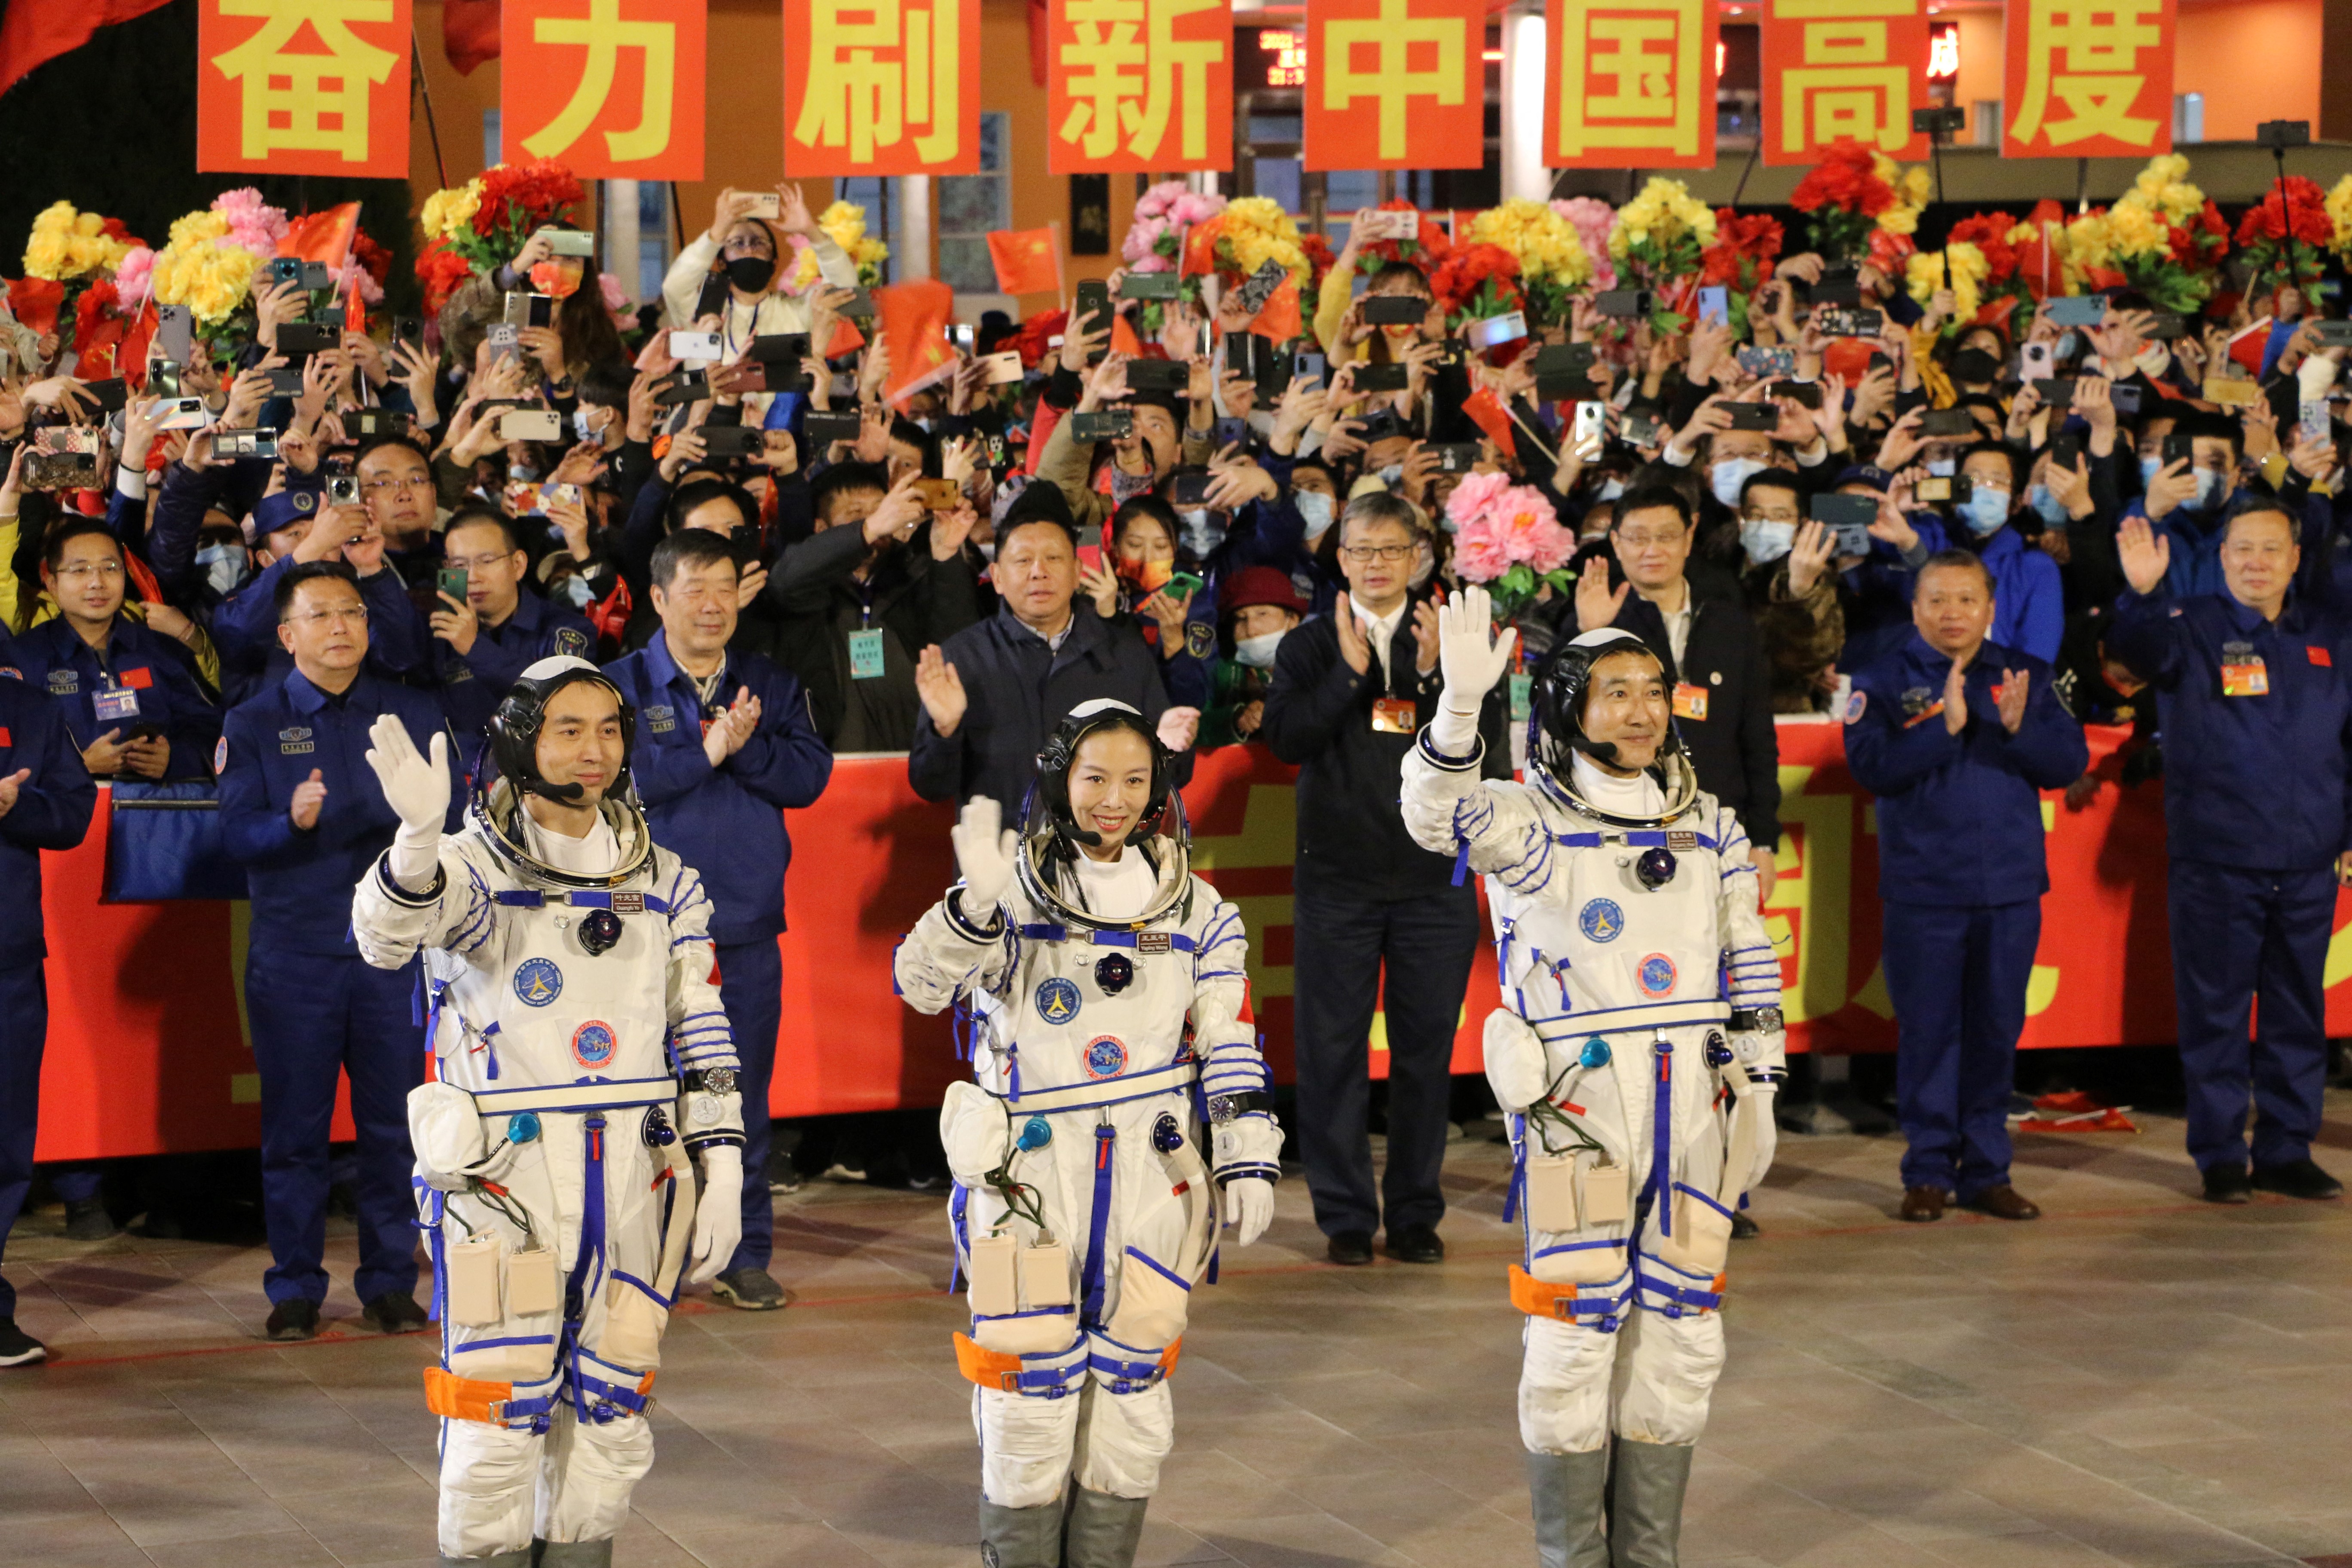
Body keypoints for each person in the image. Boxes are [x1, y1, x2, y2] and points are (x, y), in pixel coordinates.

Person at [1399, 595, 1785, 1568]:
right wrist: (1455, 708)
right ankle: (1572, 1555)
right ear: (1569, 708)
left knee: (1686, 1333)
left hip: (1699, 1112)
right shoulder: (1529, 825)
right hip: (1580, 1118)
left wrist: (1765, 1085)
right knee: (1573, 1337)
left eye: (1653, 692)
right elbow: (1431, 813)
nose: (1641, 711)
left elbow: (1748, 959)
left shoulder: (1708, 826)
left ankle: (1645, 1554)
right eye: (1615, 693)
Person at [349, 657, 745, 1567]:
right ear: (523, 740)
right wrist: (415, 839)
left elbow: (702, 1023)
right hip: (507, 1185)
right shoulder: (475, 870)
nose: (593, 749)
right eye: (568, 729)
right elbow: (384, 940)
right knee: (496, 1414)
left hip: (638, 1178)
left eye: (609, 728)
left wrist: (723, 1164)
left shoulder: (666, 880)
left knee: (611, 1417)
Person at [893, 701, 1279, 1568]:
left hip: (1155, 1176)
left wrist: (1248, 1148)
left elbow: (1227, 1031)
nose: (1114, 800)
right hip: (1028, 1180)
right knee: (1027, 1402)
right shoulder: (1009, 892)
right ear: (1060, 778)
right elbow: (917, 985)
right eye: (1095, 777)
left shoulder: (1200, 909)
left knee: (1135, 1400)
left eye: (1135, 782)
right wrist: (969, 909)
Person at [217, 561, 465, 1341]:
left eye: (352, 611)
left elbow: (450, 824)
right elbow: (233, 832)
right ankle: (294, 1285)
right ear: (288, 635)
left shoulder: (410, 709)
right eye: (321, 614)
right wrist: (289, 818)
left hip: (394, 956)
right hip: (296, 956)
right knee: (296, 1130)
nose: (341, 627)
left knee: (395, 1126)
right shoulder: (253, 722)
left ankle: (391, 1280)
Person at [1259, 492, 1508, 1266]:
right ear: (1340, 560)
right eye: (1359, 550)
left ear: (1417, 558)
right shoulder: (1306, 644)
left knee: (1423, 1050)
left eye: (1389, 550)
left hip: (1434, 880)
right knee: (1331, 1050)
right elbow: (1285, 739)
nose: (1373, 564)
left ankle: (1413, 1211)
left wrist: (1442, 681)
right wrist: (1345, 675)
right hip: (1337, 880)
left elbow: (1490, 753)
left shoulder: (1458, 638)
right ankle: (1342, 1215)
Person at [604, 529, 834, 1310]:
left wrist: (741, 750)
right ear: (659, 598)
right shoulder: (618, 686)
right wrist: (703, 752)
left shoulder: (767, 679)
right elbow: (612, 783)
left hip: (741, 925)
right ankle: (650, 1257)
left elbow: (808, 777)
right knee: (643, 1098)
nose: (711, 603)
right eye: (693, 587)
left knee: (741, 1095)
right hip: (638, 932)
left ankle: (743, 1253)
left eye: (725, 586)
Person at [2110, 501, 2349, 1203]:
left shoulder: (2330, 636)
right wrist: (2142, 594)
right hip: (2217, 856)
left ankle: (2286, 1146)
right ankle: (2218, 1151)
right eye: (2242, 549)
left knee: (2297, 1008)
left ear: (2295, 558)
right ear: (2221, 558)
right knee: (2215, 1009)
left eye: (2271, 550)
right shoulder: (2189, 627)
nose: (2256, 563)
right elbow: (2138, 653)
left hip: (2308, 858)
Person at [1844, 553, 2087, 1223]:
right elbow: (1872, 769)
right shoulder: (1882, 677)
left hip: (2008, 889)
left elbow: (2068, 764)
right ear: (1916, 608)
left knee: (1993, 1032)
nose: (1953, 613)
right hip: (1924, 889)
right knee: (1929, 1034)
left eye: (1966, 600)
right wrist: (1940, 729)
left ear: (1990, 607)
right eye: (1938, 601)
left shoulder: (2026, 676)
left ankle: (1988, 1171)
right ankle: (1926, 1171)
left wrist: (2017, 727)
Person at [911, 491, 1197, 810]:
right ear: (997, 577)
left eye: (1054, 558)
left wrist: (1169, 750)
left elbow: (1176, 776)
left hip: (1101, 856)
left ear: (1077, 572)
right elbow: (930, 786)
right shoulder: (962, 658)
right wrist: (945, 732)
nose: (1039, 571)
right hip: (1000, 856)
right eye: (1023, 560)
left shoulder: (1124, 652)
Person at [1574, 487, 1781, 894]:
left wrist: (1762, 840)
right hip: (1623, 831)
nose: (1652, 549)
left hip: (1721, 828)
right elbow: (1554, 716)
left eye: (1667, 536)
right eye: (1637, 537)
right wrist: (1589, 636)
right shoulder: (1597, 616)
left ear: (1690, 537)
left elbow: (1757, 738)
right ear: (1616, 543)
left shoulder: (1731, 624)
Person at [0, 676, 97, 1367]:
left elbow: (71, 815)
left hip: (6, 957)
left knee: (5, 1146)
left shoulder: (29, 706)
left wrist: (13, 803)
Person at [15, 520, 219, 782]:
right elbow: (10, 750)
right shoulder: (23, 658)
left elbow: (213, 729)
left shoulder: (163, 650)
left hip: (156, 813)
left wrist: (175, 758)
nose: (97, 582)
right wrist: (78, 766)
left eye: (110, 568)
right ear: (51, 582)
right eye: (80, 571)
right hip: (69, 817)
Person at [432, 506, 597, 740]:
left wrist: (474, 648)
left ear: (518, 564)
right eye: (459, 566)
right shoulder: (441, 630)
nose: (473, 577)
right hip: (464, 770)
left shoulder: (567, 629)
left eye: (486, 561)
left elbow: (565, 702)